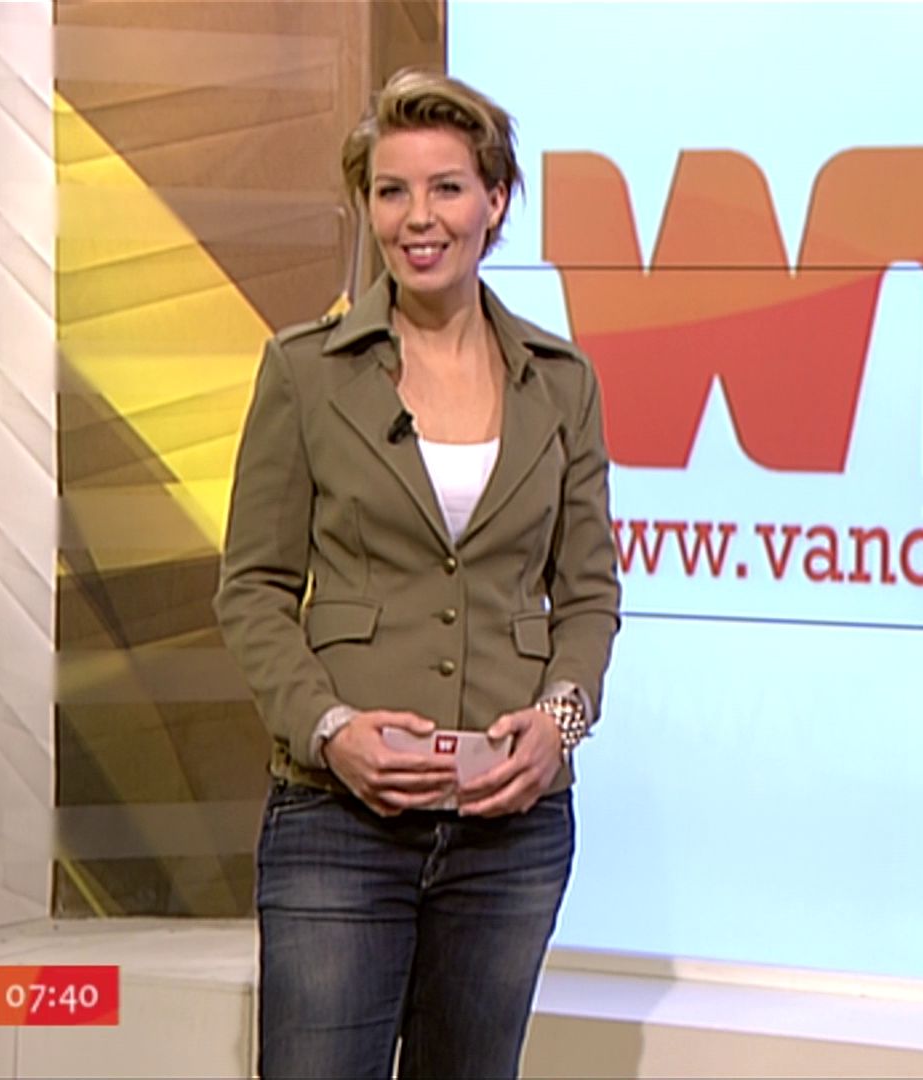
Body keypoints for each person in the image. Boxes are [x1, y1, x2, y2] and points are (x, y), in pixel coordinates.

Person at [214, 68, 620, 1079]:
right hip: (338, 819)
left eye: (445, 188)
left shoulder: (561, 382)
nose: (417, 217)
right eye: (391, 191)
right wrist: (329, 728)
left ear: (496, 201)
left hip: (510, 829)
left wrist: (560, 722)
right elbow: (254, 587)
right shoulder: (306, 370)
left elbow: (588, 593)